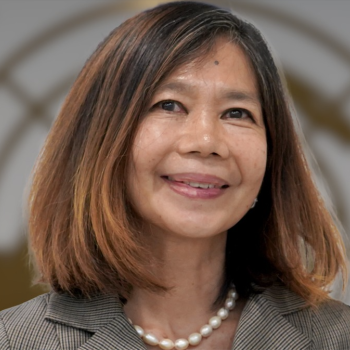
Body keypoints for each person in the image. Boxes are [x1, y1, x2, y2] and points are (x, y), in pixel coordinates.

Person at [1, 1, 349, 349]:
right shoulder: (14, 340)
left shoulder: (338, 337)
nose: (207, 142)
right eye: (168, 105)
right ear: (100, 139)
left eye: (237, 113)